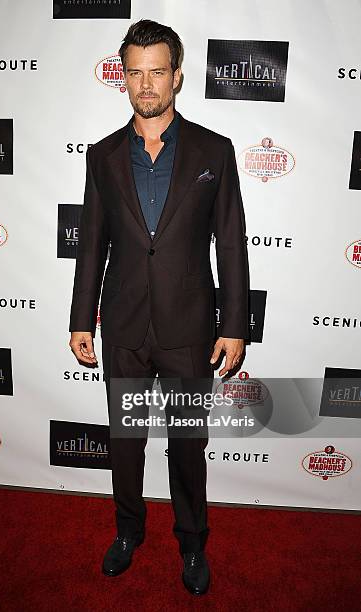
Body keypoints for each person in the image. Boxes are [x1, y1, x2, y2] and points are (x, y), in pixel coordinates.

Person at [69, 19, 250, 596]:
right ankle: (128, 533)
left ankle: (193, 543)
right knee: (125, 441)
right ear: (123, 78)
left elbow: (232, 241)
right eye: (134, 73)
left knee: (187, 444)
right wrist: (81, 318)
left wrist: (234, 324)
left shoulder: (213, 151)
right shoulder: (101, 157)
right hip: (122, 326)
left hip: (189, 329)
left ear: (176, 76)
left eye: (156, 72)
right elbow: (92, 243)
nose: (145, 85)